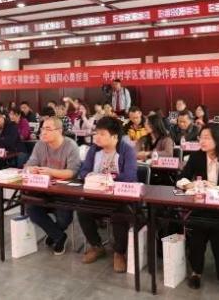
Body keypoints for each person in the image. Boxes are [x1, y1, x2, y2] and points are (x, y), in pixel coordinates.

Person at [176, 123, 219, 295]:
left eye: (207, 138)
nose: (202, 141)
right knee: (196, 236)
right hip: (201, 207)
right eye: (201, 137)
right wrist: (190, 184)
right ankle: (196, 272)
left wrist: (215, 188)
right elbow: (181, 178)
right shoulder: (196, 157)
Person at [77, 117, 137, 273]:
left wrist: (106, 178)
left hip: (119, 197)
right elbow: (83, 172)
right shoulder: (94, 150)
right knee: (82, 209)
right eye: (96, 133)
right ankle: (97, 246)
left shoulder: (127, 150)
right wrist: (94, 177)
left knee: (119, 212)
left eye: (102, 134)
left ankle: (119, 252)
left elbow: (129, 176)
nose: (97, 137)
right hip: (97, 195)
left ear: (115, 137)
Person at [25, 117, 82, 255]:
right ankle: (59, 236)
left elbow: (72, 172)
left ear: (59, 131)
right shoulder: (40, 145)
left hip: (65, 192)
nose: (43, 132)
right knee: (31, 209)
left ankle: (54, 234)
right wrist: (31, 169)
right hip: (43, 190)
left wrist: (51, 172)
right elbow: (29, 164)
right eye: (42, 129)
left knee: (64, 219)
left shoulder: (71, 146)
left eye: (48, 129)